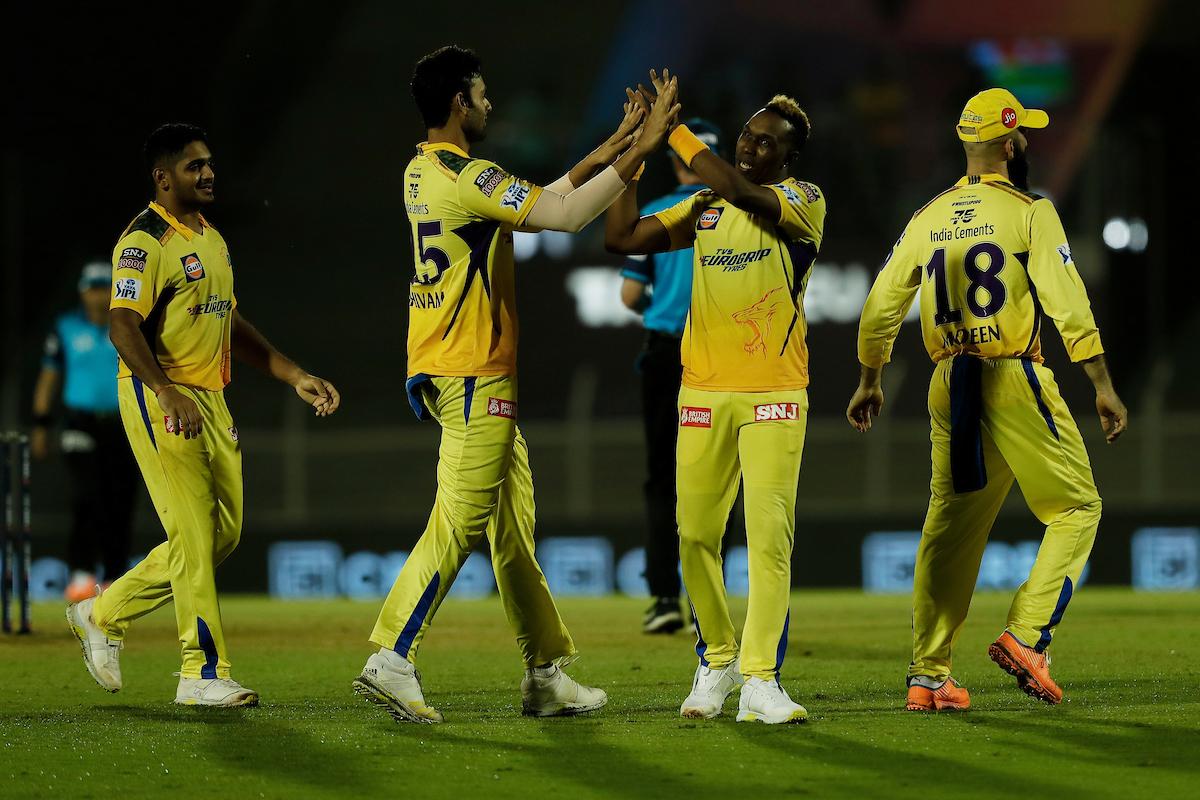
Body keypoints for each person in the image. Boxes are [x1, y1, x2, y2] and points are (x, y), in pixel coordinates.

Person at [354, 46, 679, 724]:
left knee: (512, 532)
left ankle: (543, 673)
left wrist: (615, 147)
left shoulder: (426, 169)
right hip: (473, 371)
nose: (490, 104)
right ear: (458, 104)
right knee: (460, 522)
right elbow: (562, 217)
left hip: (456, 366)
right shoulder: (466, 174)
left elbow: (546, 198)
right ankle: (392, 656)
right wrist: (638, 155)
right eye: (481, 92)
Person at [847, 88, 1128, 711]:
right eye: (1021, 132)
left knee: (949, 532)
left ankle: (928, 675)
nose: (1024, 140)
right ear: (1008, 143)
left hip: (950, 383)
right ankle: (1027, 635)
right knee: (1077, 508)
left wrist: (871, 378)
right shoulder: (1030, 210)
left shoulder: (928, 217)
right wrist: (1102, 384)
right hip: (1011, 375)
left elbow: (879, 307)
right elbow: (1068, 302)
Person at [66, 123, 341, 707]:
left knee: (222, 534)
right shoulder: (143, 242)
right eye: (194, 167)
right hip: (161, 395)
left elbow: (228, 323)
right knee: (192, 533)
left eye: (210, 164)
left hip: (210, 399)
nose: (209, 174)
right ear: (163, 179)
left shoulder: (211, 239)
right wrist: (164, 391)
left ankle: (102, 611)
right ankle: (201, 672)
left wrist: (293, 374)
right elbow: (122, 325)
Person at [606, 70, 825, 724]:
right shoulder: (704, 208)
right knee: (695, 534)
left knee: (767, 540)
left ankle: (762, 680)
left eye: (766, 143)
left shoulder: (803, 201)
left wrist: (668, 129)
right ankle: (718, 661)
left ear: (788, 158)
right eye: (746, 137)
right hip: (701, 391)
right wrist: (635, 156)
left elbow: (736, 185)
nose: (750, 148)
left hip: (775, 394)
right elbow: (622, 239)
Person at [618, 119, 735, 635]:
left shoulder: (656, 211)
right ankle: (708, 600)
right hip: (720, 354)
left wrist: (660, 307)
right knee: (718, 479)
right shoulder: (734, 211)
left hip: (667, 353)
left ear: (674, 160)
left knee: (660, 477)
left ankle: (664, 597)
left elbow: (628, 298)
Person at [32, 262, 139, 601]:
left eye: (104, 287)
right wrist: (41, 424)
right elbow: (48, 378)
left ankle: (114, 575)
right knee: (86, 495)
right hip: (80, 421)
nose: (98, 294)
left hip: (124, 422)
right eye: (92, 287)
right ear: (82, 290)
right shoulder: (65, 328)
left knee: (120, 498)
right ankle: (81, 572)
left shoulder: (127, 327)